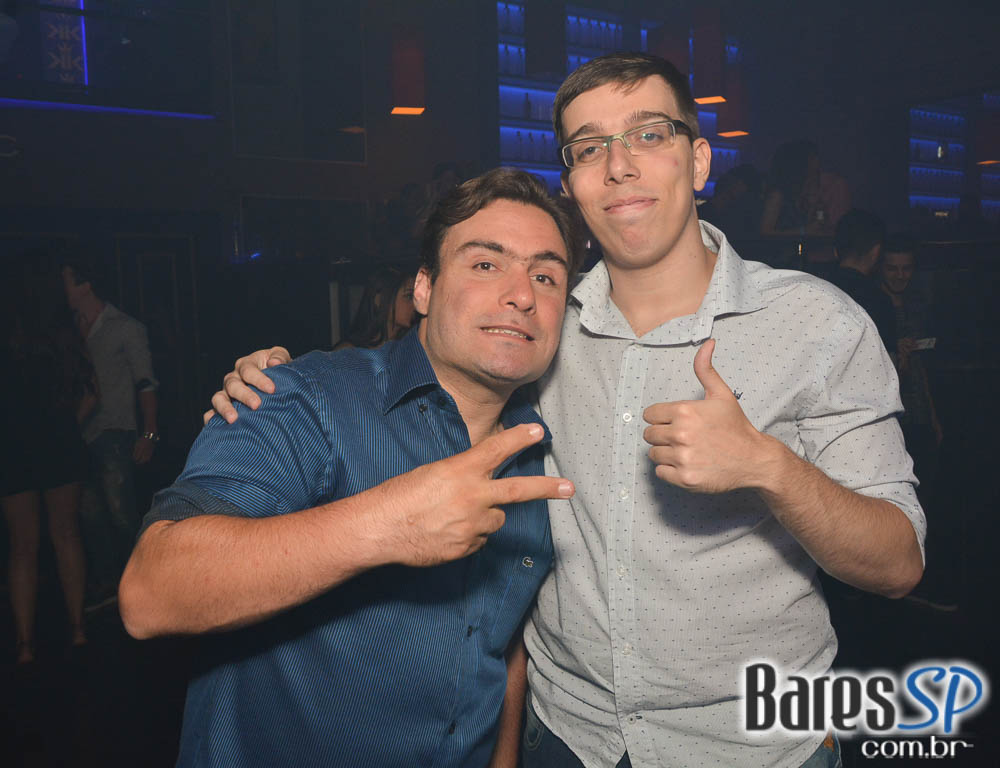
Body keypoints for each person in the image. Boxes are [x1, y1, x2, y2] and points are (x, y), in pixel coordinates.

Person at [212, 54, 925, 767]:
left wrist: (770, 468)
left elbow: (899, 563)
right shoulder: (539, 324)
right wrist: (280, 381)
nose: (618, 166)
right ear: (572, 183)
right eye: (589, 148)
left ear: (700, 161)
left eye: (649, 134)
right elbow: (430, 364)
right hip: (567, 739)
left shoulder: (816, 323)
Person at [118, 168, 582, 768]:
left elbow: (503, 637)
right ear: (422, 289)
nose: (521, 294)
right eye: (486, 264)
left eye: (545, 276)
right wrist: (389, 523)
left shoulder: (540, 451)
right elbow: (152, 591)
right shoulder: (305, 397)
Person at [2, 258, 96, 663]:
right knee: (66, 535)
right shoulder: (65, 332)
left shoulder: (7, 334)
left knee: (22, 546)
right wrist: (68, 427)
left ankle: (25, 644)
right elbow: (92, 394)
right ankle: (77, 630)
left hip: (13, 446)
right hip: (59, 443)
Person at [60, 261, 160, 601]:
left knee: (121, 514)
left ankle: (144, 586)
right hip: (79, 434)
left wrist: (149, 434)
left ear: (85, 285)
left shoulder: (124, 327)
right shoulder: (69, 329)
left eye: (66, 281)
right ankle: (109, 584)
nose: (62, 289)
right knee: (88, 515)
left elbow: (146, 382)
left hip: (115, 432)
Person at [827, 208, 898, 356]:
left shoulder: (814, 290)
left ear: (835, 251)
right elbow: (887, 363)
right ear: (876, 252)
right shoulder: (879, 301)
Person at [333, 265, 417, 350]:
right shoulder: (349, 351)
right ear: (379, 300)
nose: (416, 304)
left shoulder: (411, 348)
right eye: (409, 296)